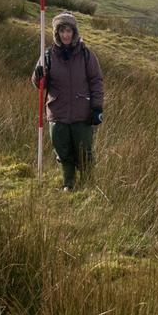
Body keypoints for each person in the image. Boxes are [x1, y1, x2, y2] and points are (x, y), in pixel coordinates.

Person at [34, 11, 104, 190]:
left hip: (82, 114)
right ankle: (69, 186)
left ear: (74, 32)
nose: (66, 35)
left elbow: (96, 81)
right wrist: (38, 75)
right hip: (57, 114)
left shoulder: (86, 55)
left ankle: (88, 186)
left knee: (84, 155)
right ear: (56, 33)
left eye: (69, 31)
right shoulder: (48, 56)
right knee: (63, 153)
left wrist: (96, 108)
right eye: (62, 31)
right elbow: (40, 84)